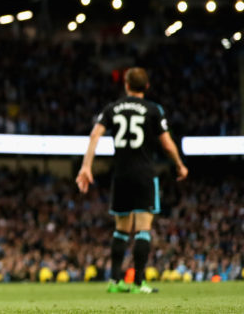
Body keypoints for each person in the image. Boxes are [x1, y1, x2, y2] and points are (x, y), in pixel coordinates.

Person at [76, 67, 188, 295]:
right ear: (146, 87)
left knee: (121, 230)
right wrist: (179, 164)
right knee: (143, 229)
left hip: (121, 175)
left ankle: (115, 281)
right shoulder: (153, 109)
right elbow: (166, 143)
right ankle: (138, 283)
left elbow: (95, 135)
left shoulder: (112, 108)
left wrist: (86, 166)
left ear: (126, 86)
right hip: (144, 174)